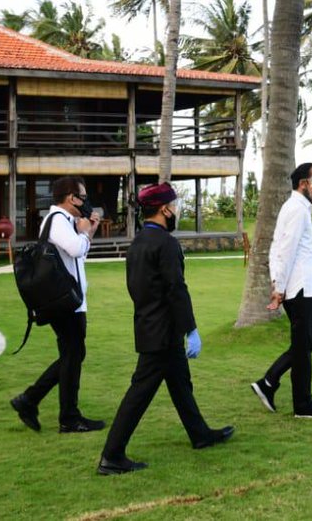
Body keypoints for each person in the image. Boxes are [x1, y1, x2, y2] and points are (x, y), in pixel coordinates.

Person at [97, 183, 235, 475]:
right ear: (164, 209)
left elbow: (136, 288)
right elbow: (176, 289)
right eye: (175, 205)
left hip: (150, 325)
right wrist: (191, 329)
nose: (177, 210)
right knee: (139, 394)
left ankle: (200, 434)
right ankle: (111, 455)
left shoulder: (138, 243)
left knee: (180, 383)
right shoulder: (166, 244)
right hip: (161, 332)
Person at [10, 176, 105, 434]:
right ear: (70, 197)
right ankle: (64, 415)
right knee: (73, 355)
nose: (85, 202)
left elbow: (79, 254)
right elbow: (75, 248)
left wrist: (89, 232)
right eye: (82, 196)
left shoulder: (64, 221)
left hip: (70, 299)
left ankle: (34, 402)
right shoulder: (58, 220)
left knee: (73, 355)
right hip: (65, 301)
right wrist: (84, 232)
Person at [250, 163, 312, 419]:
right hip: (298, 289)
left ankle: (268, 382)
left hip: (301, 287)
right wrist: (279, 287)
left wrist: (279, 283)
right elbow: (284, 250)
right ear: (303, 183)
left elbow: (280, 248)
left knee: (309, 341)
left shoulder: (297, 208)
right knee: (304, 345)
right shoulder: (297, 211)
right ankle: (302, 404)